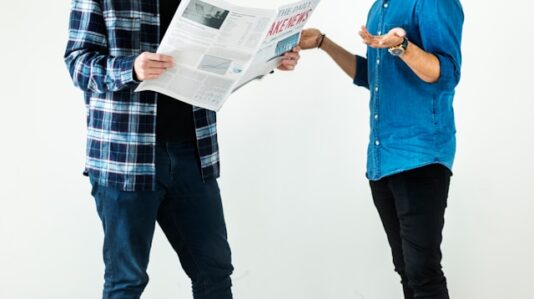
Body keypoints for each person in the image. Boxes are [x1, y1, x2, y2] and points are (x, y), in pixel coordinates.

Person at [64, 0, 300, 298]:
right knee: (127, 280)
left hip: (194, 154)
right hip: (125, 159)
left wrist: (269, 61)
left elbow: (221, 66)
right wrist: (132, 68)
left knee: (214, 272)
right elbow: (77, 63)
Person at [299, 0, 464, 298]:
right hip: (381, 159)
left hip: (420, 156)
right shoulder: (379, 8)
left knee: (422, 272)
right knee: (406, 270)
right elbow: (371, 78)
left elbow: (446, 74)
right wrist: (323, 43)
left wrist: (403, 47)